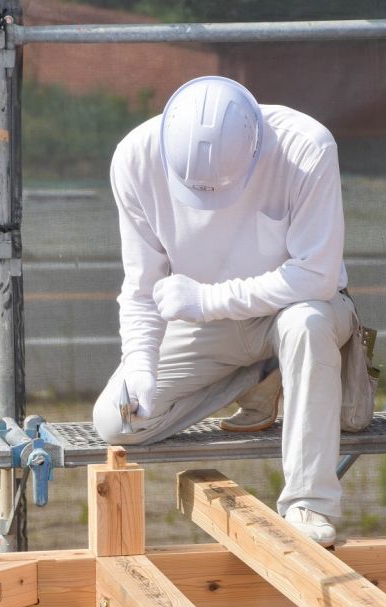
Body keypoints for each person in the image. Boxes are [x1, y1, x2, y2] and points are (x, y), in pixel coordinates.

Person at [92, 75, 358, 547]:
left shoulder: (305, 147)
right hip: (208, 323)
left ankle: (310, 504)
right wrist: (140, 362)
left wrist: (207, 300)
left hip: (291, 312)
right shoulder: (135, 159)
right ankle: (263, 378)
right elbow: (141, 286)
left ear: (255, 150)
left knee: (306, 324)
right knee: (119, 422)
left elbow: (316, 276)